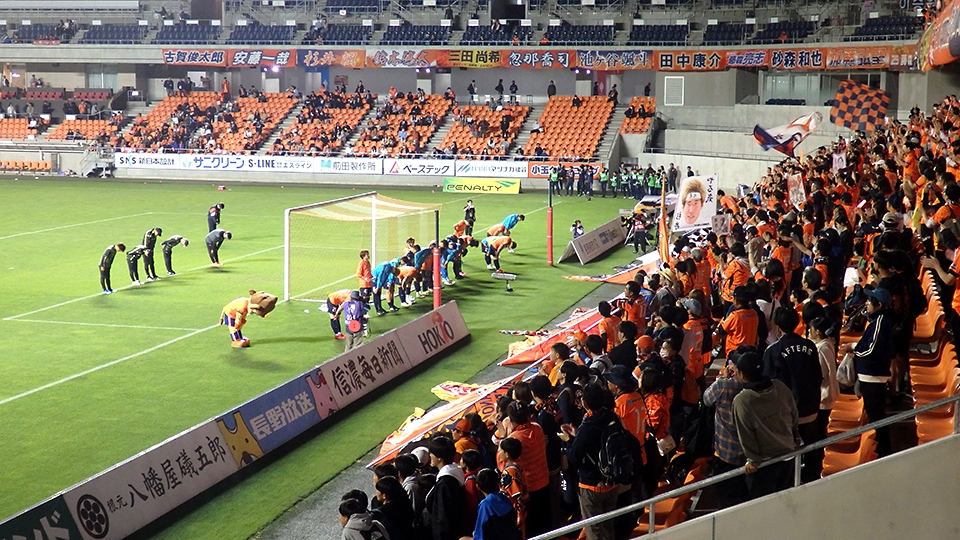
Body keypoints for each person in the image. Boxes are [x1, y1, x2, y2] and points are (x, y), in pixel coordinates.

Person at [761, 307, 822, 482]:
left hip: (786, 414)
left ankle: (790, 485)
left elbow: (768, 385)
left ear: (777, 325)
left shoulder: (772, 351)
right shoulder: (810, 346)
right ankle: (812, 482)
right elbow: (818, 376)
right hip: (810, 409)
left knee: (786, 454)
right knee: (812, 450)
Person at [732, 351, 800, 500]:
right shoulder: (779, 386)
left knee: (763, 505)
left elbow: (746, 435)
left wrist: (753, 460)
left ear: (741, 374)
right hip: (788, 455)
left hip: (764, 465)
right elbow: (794, 415)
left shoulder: (742, 400)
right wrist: (794, 439)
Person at [558, 383, 620, 540]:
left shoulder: (587, 426)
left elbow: (574, 457)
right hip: (612, 480)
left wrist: (569, 440)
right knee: (609, 527)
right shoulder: (613, 417)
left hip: (591, 485)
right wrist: (577, 434)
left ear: (585, 403)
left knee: (594, 531)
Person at [838, 287, 895, 457]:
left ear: (879, 305)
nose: (867, 303)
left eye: (870, 301)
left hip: (873, 375)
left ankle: (883, 451)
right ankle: (880, 448)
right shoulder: (878, 320)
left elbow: (871, 349)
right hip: (871, 374)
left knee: (876, 415)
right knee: (875, 414)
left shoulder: (881, 321)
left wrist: (854, 349)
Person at [703, 348, 748, 509]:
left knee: (725, 495)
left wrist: (722, 378)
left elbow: (706, 399)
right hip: (750, 451)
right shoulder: (758, 385)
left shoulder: (724, 385)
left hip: (726, 452)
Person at [423, 436, 468, 540]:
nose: (430, 455)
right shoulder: (454, 472)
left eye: (432, 453)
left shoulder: (445, 482)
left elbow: (443, 517)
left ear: (439, 457)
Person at [462, 468, 521, 540]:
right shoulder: (504, 498)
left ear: (478, 487)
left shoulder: (485, 505)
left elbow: (481, 534)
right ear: (498, 483)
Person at [372, 476, 414, 540]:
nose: (376, 492)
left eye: (378, 490)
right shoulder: (404, 503)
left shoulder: (382, 513)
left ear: (384, 496)